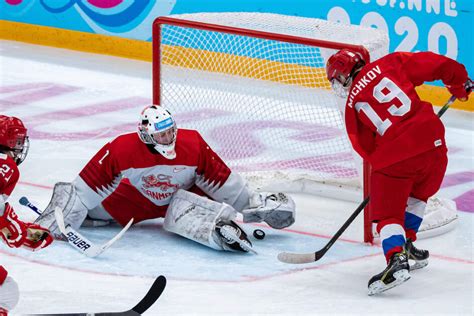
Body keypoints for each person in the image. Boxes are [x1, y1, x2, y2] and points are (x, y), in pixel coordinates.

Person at [36, 105, 296, 253]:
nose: (168, 139)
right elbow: (86, 188)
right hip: (134, 201)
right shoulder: (122, 148)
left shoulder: (192, 143)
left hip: (183, 198)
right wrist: (56, 221)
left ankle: (219, 232)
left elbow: (221, 181)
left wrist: (253, 206)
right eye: (161, 135)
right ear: (146, 135)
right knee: (85, 208)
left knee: (199, 211)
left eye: (170, 132)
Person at [326, 49, 471, 295]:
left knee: (388, 214)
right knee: (418, 194)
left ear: (344, 76)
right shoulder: (391, 62)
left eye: (337, 79)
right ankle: (407, 242)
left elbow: (363, 146)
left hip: (396, 156)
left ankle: (396, 259)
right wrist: (458, 83)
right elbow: (436, 64)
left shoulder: (351, 106)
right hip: (434, 143)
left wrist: (386, 166)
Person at [0, 115, 53, 314]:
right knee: (6, 293)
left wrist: (20, 231)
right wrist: (13, 228)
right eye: (18, 142)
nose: (20, 147)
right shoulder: (5, 164)